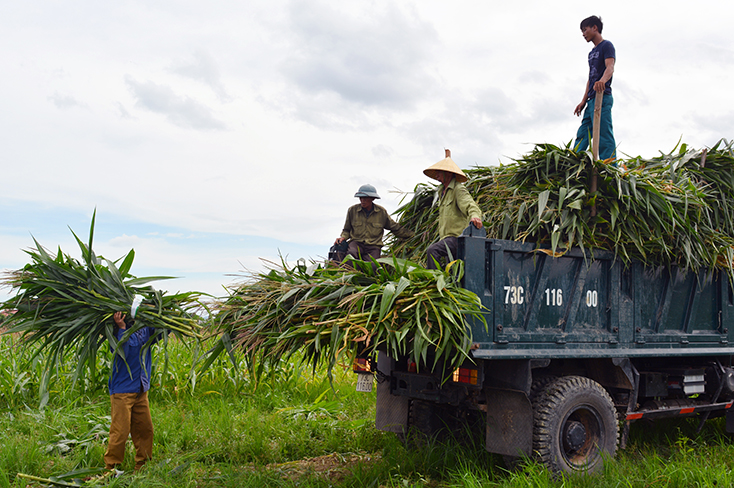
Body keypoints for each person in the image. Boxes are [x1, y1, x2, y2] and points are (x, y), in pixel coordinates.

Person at [103, 310, 160, 472]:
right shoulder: (115, 332)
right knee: (120, 431)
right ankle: (111, 467)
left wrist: (165, 314)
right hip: (123, 390)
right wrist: (121, 327)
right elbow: (122, 352)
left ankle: (143, 465)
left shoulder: (145, 330)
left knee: (145, 428)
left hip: (141, 388)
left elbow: (161, 332)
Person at [423, 150, 483, 269]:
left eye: (439, 173)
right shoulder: (442, 192)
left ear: (448, 173)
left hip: (456, 238)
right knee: (453, 271)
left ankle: (433, 280)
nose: (437, 176)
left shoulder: (458, 189)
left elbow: (471, 205)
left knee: (432, 251)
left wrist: (475, 216)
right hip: (445, 239)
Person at [573, 15, 616, 160]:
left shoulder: (607, 45)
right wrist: (583, 100)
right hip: (591, 99)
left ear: (595, 28)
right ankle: (573, 162)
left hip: (602, 97)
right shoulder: (591, 53)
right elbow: (590, 78)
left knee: (603, 133)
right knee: (583, 132)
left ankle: (608, 166)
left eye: (585, 30)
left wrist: (602, 81)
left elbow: (610, 67)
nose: (583, 34)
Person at [335, 184, 414, 261]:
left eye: (365, 198)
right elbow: (346, 230)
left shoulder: (381, 212)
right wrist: (343, 237)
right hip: (356, 243)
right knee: (351, 256)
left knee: (373, 266)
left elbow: (395, 228)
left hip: (373, 246)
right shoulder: (352, 210)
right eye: (361, 198)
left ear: (372, 198)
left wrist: (412, 235)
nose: (363, 200)